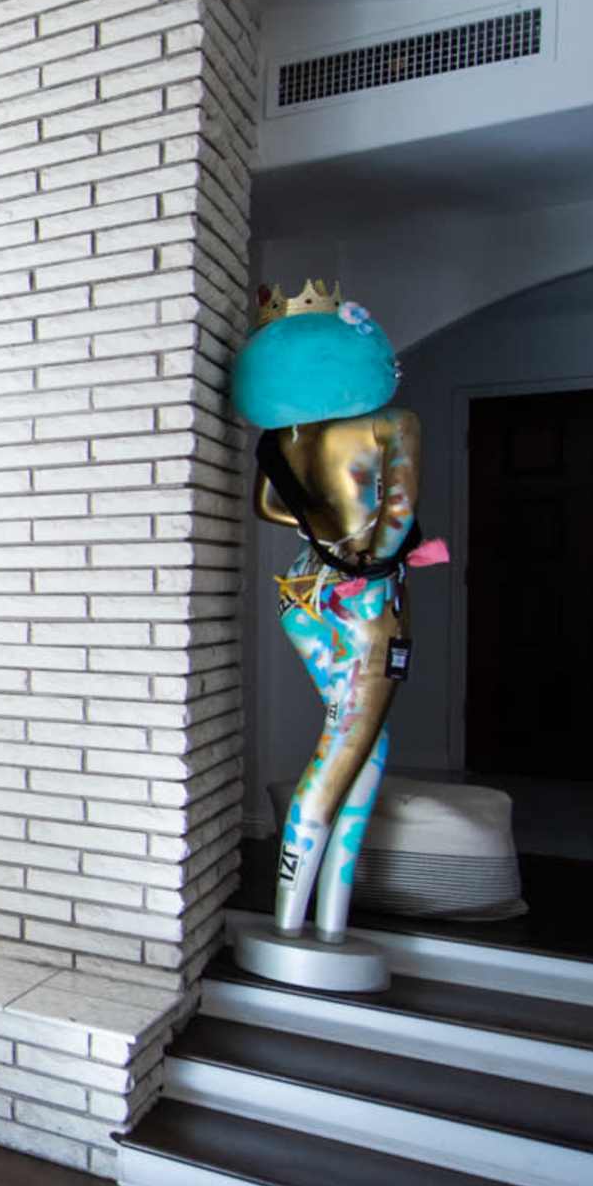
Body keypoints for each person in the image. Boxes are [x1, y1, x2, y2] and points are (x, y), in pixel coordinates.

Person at [236, 283, 433, 949]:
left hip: (303, 591)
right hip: (364, 599)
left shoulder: (286, 436)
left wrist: (320, 528)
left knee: (363, 742)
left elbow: (269, 506)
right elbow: (398, 512)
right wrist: (365, 553)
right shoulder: (393, 421)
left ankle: (327, 918)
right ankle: (293, 919)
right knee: (347, 741)